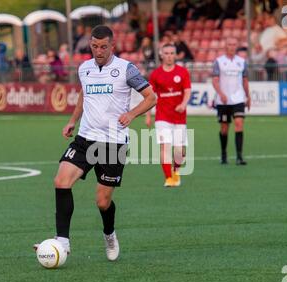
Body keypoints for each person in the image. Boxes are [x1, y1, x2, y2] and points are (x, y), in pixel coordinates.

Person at [34, 26, 157, 261]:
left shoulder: (126, 69)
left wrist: (131, 114)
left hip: (113, 143)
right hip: (85, 138)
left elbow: (151, 97)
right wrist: (72, 121)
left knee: (102, 202)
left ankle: (109, 233)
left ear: (112, 46)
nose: (98, 51)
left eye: (103, 47)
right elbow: (84, 95)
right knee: (61, 181)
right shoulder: (85, 68)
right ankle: (63, 242)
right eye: (94, 46)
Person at [146, 44, 191, 187]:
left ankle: (176, 171)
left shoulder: (182, 72)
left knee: (180, 150)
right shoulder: (155, 74)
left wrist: (183, 104)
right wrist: (148, 115)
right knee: (165, 147)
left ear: (176, 55)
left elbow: (187, 91)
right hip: (162, 117)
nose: (169, 56)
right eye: (166, 53)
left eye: (172, 53)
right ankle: (169, 178)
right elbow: (149, 96)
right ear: (161, 55)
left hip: (179, 117)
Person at [212, 38, 251, 166]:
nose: (232, 47)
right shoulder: (219, 62)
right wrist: (221, 94)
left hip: (238, 99)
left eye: (234, 44)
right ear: (225, 46)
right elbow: (215, 80)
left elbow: (245, 80)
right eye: (229, 44)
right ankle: (224, 153)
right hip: (223, 100)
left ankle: (239, 156)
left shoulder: (242, 62)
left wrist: (248, 96)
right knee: (224, 128)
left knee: (239, 123)